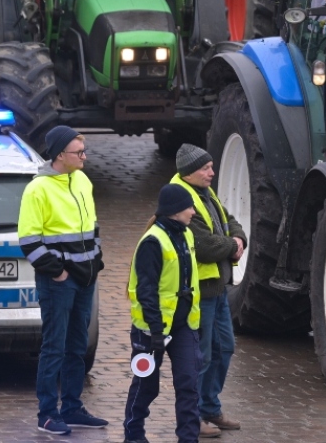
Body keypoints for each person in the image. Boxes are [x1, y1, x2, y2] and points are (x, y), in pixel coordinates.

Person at [18, 126, 107, 436]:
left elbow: (91, 227)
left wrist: (96, 263)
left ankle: (72, 407)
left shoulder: (82, 180)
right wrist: (58, 271)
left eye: (84, 151)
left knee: (77, 345)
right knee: (54, 346)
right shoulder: (37, 189)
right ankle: (47, 413)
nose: (84, 156)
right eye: (78, 152)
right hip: (59, 282)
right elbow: (29, 240)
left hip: (85, 278)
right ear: (59, 155)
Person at [170, 144, 247, 438]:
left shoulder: (206, 193)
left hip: (218, 289)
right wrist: (233, 247)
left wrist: (238, 239)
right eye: (206, 168)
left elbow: (231, 222)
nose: (212, 173)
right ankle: (195, 415)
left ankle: (210, 406)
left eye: (212, 167)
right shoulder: (181, 197)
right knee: (200, 355)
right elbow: (204, 246)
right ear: (189, 171)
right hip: (199, 292)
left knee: (223, 348)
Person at [123, 185, 203, 443]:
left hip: (183, 326)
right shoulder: (152, 242)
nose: (193, 211)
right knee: (146, 386)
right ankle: (133, 435)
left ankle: (188, 439)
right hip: (151, 330)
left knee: (189, 385)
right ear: (175, 210)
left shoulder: (186, 235)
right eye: (189, 206)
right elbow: (146, 291)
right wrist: (156, 331)